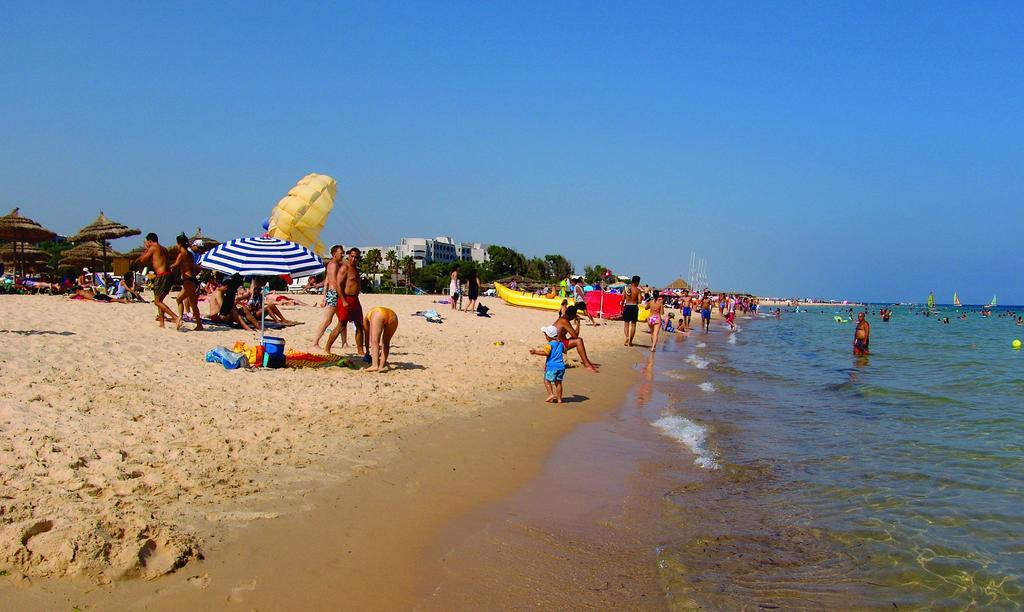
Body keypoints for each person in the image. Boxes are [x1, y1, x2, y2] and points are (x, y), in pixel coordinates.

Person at [135, 232, 179, 329]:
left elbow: (142, 260)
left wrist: (146, 249)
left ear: (150, 241)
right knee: (160, 300)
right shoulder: (164, 249)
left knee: (157, 301)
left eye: (146, 242)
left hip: (162, 276)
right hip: (168, 275)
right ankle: (162, 323)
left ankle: (175, 317)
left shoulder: (153, 248)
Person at [326, 248, 364, 354]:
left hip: (355, 299)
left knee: (360, 325)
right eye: (352, 256)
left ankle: (360, 351)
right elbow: (338, 285)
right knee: (341, 325)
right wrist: (343, 300)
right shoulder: (345, 268)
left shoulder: (356, 269)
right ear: (349, 256)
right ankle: (327, 348)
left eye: (356, 257)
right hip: (345, 298)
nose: (353, 259)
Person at [313, 245, 345, 349]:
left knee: (342, 318)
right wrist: (339, 294)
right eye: (341, 253)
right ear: (334, 254)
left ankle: (344, 343)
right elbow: (334, 281)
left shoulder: (334, 264)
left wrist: (324, 296)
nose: (342, 255)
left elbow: (327, 281)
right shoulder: (334, 265)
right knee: (327, 320)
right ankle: (315, 342)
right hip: (335, 293)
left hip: (333, 293)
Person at [554, 305, 599, 372]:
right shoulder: (564, 321)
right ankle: (587, 364)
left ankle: (587, 362)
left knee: (577, 340)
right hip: (557, 346)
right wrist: (578, 323)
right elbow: (575, 336)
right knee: (579, 341)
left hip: (557, 343)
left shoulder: (562, 319)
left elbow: (574, 336)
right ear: (572, 315)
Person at [172, 234, 203, 331]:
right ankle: (180, 318)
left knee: (193, 304)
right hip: (190, 279)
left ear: (179, 244)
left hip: (188, 280)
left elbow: (176, 264)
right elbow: (193, 266)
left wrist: (165, 269)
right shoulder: (189, 254)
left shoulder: (182, 253)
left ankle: (199, 325)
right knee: (179, 299)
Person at [530, 325, 566, 403]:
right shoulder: (561, 344)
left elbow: (546, 353)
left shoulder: (549, 345)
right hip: (561, 367)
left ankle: (551, 394)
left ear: (548, 336)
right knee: (558, 382)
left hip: (552, 366)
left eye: (545, 335)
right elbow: (564, 350)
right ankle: (559, 399)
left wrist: (535, 352)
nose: (545, 337)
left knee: (546, 380)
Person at [363, 306, 399, 372]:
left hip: (378, 314)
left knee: (374, 340)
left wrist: (367, 351)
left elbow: (367, 338)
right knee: (386, 342)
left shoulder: (366, 319)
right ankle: (381, 366)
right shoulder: (371, 312)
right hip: (393, 316)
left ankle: (375, 365)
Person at [621, 275, 641, 346]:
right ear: (636, 282)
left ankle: (627, 337)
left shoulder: (626, 289)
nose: (638, 284)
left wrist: (621, 308)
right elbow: (640, 301)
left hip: (627, 306)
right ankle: (630, 341)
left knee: (626, 324)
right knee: (633, 325)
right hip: (634, 307)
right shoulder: (637, 290)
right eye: (638, 282)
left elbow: (623, 299)